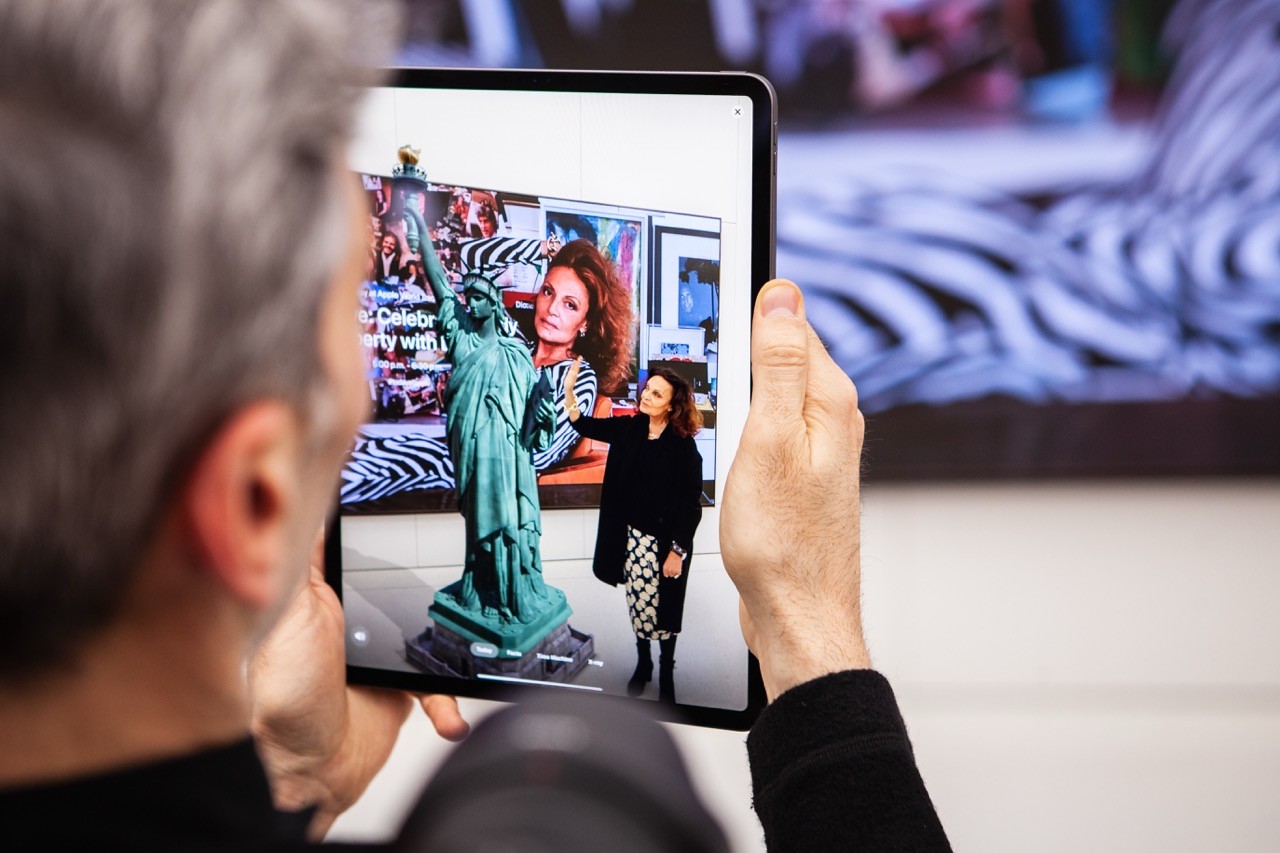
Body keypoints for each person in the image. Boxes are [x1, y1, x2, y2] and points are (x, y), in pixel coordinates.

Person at [0, 1, 951, 849]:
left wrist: (294, 784)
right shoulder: (475, 330)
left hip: (512, 470)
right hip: (489, 462)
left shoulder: (551, 367)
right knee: (498, 540)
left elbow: (557, 417)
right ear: (252, 498)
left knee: (511, 543)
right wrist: (815, 637)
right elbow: (452, 291)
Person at [340, 232, 634, 506]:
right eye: (548, 292)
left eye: (570, 304)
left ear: (585, 322)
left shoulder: (578, 377)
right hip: (449, 448)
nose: (553, 308)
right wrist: (545, 249)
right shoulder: (513, 343)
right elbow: (471, 257)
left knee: (352, 476)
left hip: (482, 474)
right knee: (352, 449)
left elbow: (539, 451)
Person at [423, 261, 559, 623]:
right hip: (478, 455)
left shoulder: (516, 355)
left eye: (481, 298)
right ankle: (484, 588)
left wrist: (545, 416)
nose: (473, 305)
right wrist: (419, 223)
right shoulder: (463, 343)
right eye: (469, 297)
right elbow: (438, 281)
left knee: (513, 524)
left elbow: (537, 419)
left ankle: (514, 593)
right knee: (483, 523)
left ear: (496, 302)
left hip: (512, 460)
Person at [565, 363, 704, 703]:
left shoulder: (683, 446)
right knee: (639, 604)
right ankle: (644, 664)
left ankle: (666, 668)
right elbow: (582, 423)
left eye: (657, 394)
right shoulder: (629, 428)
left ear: (671, 405)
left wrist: (677, 551)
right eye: (647, 389)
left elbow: (691, 503)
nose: (647, 396)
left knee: (667, 611)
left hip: (666, 543)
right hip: (631, 539)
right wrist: (570, 389)